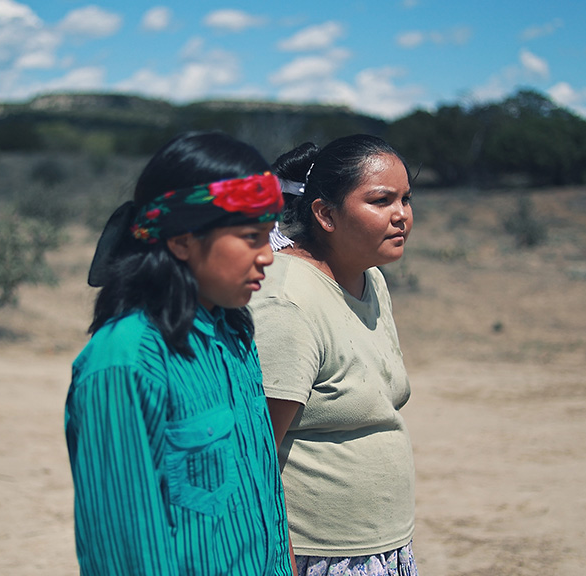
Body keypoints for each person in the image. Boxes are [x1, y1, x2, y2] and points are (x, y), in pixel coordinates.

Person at [65, 131, 294, 575]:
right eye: (250, 236)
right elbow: (125, 553)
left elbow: (263, 498)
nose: (268, 256)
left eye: (269, 235)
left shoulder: (235, 334)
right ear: (181, 240)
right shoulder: (124, 362)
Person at [249, 134, 419, 576]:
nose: (401, 215)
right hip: (315, 557)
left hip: (382, 548)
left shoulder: (371, 279)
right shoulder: (288, 301)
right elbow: (253, 452)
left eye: (405, 199)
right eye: (381, 200)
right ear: (325, 213)